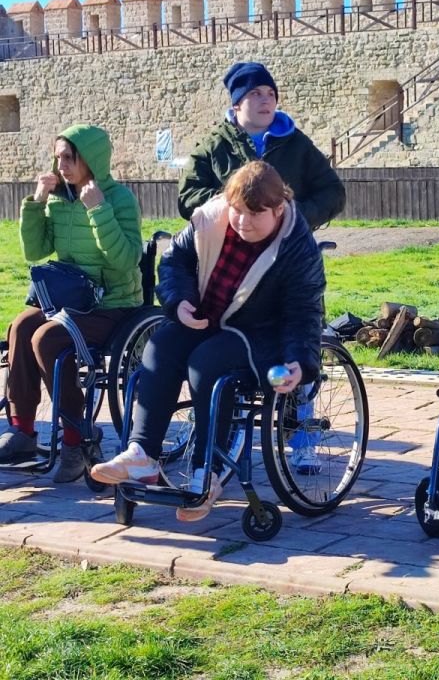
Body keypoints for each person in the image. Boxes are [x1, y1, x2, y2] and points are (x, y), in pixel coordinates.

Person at [92, 160, 325, 521]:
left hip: (260, 336)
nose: (243, 222)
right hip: (206, 317)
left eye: (255, 214)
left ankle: (208, 471)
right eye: (238, 211)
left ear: (279, 209)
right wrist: (179, 300)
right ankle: (142, 455)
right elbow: (175, 262)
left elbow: (305, 311)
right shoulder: (209, 219)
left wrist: (300, 359)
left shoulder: (297, 246)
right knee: (160, 345)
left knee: (206, 363)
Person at [0, 125, 143, 482]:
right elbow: (35, 251)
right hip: (68, 299)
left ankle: (77, 438)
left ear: (91, 159)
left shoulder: (119, 198)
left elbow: (125, 261)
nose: (62, 165)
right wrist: (35, 203)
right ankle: (23, 430)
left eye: (70, 157)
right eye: (59, 156)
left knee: (46, 339)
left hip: (113, 303)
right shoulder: (60, 198)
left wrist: (99, 211)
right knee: (20, 326)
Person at [178, 61, 345, 231]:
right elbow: (188, 196)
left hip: (288, 249)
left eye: (271, 94)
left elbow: (333, 192)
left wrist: (293, 216)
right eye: (255, 93)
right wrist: (237, 206)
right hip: (229, 250)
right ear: (236, 103)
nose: (266, 100)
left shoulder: (298, 144)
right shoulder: (213, 147)